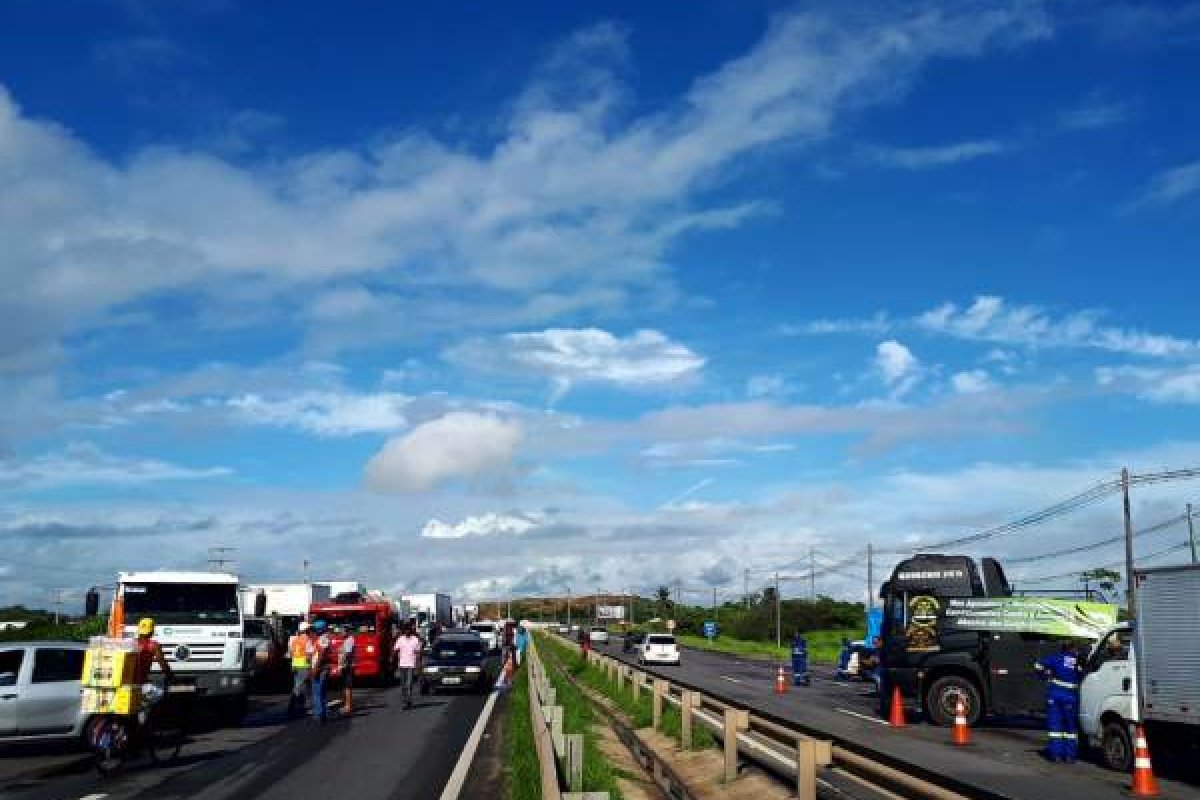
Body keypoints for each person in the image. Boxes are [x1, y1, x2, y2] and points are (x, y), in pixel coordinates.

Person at [1035, 641, 1083, 763]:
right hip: (1070, 697)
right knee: (1070, 728)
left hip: (1055, 696)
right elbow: (1082, 674)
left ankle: (1056, 755)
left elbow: (1038, 665)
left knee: (1055, 727)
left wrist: (1043, 675)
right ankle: (1069, 756)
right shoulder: (1077, 662)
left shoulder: (1056, 658)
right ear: (1072, 649)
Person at [133, 618, 173, 722]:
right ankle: (147, 715)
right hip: (141, 686)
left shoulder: (131, 643)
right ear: (152, 631)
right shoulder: (154, 645)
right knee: (160, 692)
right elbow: (163, 664)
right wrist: (171, 676)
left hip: (128, 684)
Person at [307, 619, 332, 724]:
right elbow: (310, 655)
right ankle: (323, 713)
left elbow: (321, 655)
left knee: (317, 692)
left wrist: (315, 669)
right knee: (322, 692)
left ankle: (319, 714)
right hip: (321, 668)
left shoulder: (323, 639)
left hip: (320, 669)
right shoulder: (319, 639)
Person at [392, 622, 423, 710]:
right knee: (403, 684)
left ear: (410, 631)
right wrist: (392, 659)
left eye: (408, 630)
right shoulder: (400, 639)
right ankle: (405, 700)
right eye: (405, 630)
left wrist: (418, 664)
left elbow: (418, 652)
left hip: (411, 665)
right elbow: (395, 650)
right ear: (404, 631)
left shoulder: (415, 639)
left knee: (409, 684)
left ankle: (408, 701)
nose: (407, 632)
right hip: (402, 665)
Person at [287, 621, 311, 719]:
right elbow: (309, 654)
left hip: (296, 665)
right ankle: (295, 707)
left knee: (298, 686)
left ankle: (296, 707)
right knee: (300, 687)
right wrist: (310, 666)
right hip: (304, 665)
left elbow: (292, 654)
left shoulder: (295, 640)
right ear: (306, 630)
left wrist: (292, 665)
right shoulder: (307, 640)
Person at [339, 627, 356, 715]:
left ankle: (348, 707)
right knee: (346, 687)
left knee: (347, 687)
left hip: (347, 667)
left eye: (342, 631)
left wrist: (342, 663)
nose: (340, 633)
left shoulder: (349, 640)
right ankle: (347, 705)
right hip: (346, 666)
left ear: (347, 632)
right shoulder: (347, 640)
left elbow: (348, 653)